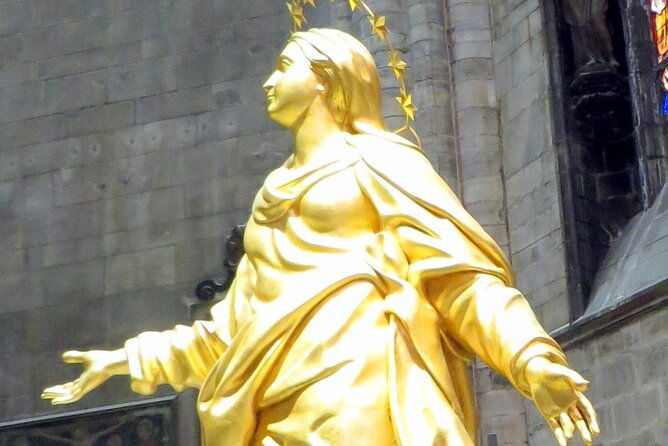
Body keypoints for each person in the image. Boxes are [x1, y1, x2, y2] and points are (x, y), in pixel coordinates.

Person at [42, 28, 599, 446]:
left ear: (326, 80)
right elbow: (229, 334)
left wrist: (530, 357)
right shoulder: (270, 197)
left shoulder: (381, 161)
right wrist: (125, 359)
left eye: (284, 67)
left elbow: (462, 283)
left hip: (357, 389)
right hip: (268, 406)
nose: (268, 81)